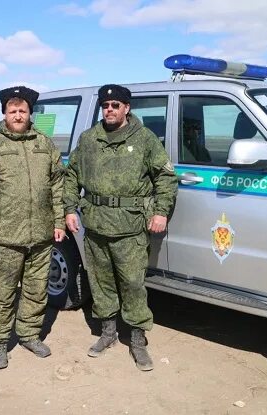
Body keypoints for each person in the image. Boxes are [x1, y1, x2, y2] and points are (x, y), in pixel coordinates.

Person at [64, 84, 178, 371]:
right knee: (101, 283)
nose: (110, 110)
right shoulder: (89, 139)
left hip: (130, 227)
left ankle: (138, 341)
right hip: (96, 225)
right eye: (106, 105)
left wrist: (161, 212)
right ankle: (108, 333)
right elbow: (71, 175)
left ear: (127, 108)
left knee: (133, 284)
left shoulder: (144, 139)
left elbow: (165, 178)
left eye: (116, 105)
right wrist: (68, 208)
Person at [0, 86, 66, 370]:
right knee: (2, 292)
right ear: (4, 114)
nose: (18, 115)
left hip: (42, 236)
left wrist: (58, 222)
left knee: (37, 291)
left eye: (23, 111)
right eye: (13, 111)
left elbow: (57, 186)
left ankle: (29, 334)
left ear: (30, 113)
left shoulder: (44, 145)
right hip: (4, 237)